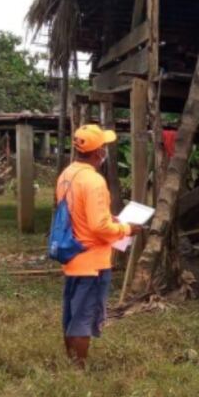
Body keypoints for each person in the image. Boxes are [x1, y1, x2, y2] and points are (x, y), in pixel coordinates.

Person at [56, 124, 139, 368]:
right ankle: (78, 368)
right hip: (92, 261)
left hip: (73, 256)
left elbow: (77, 215)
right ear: (96, 152)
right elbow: (98, 227)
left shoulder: (67, 175)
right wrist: (126, 229)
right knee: (84, 318)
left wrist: (109, 219)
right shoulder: (93, 181)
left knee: (71, 315)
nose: (104, 151)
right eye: (103, 147)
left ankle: (72, 362)